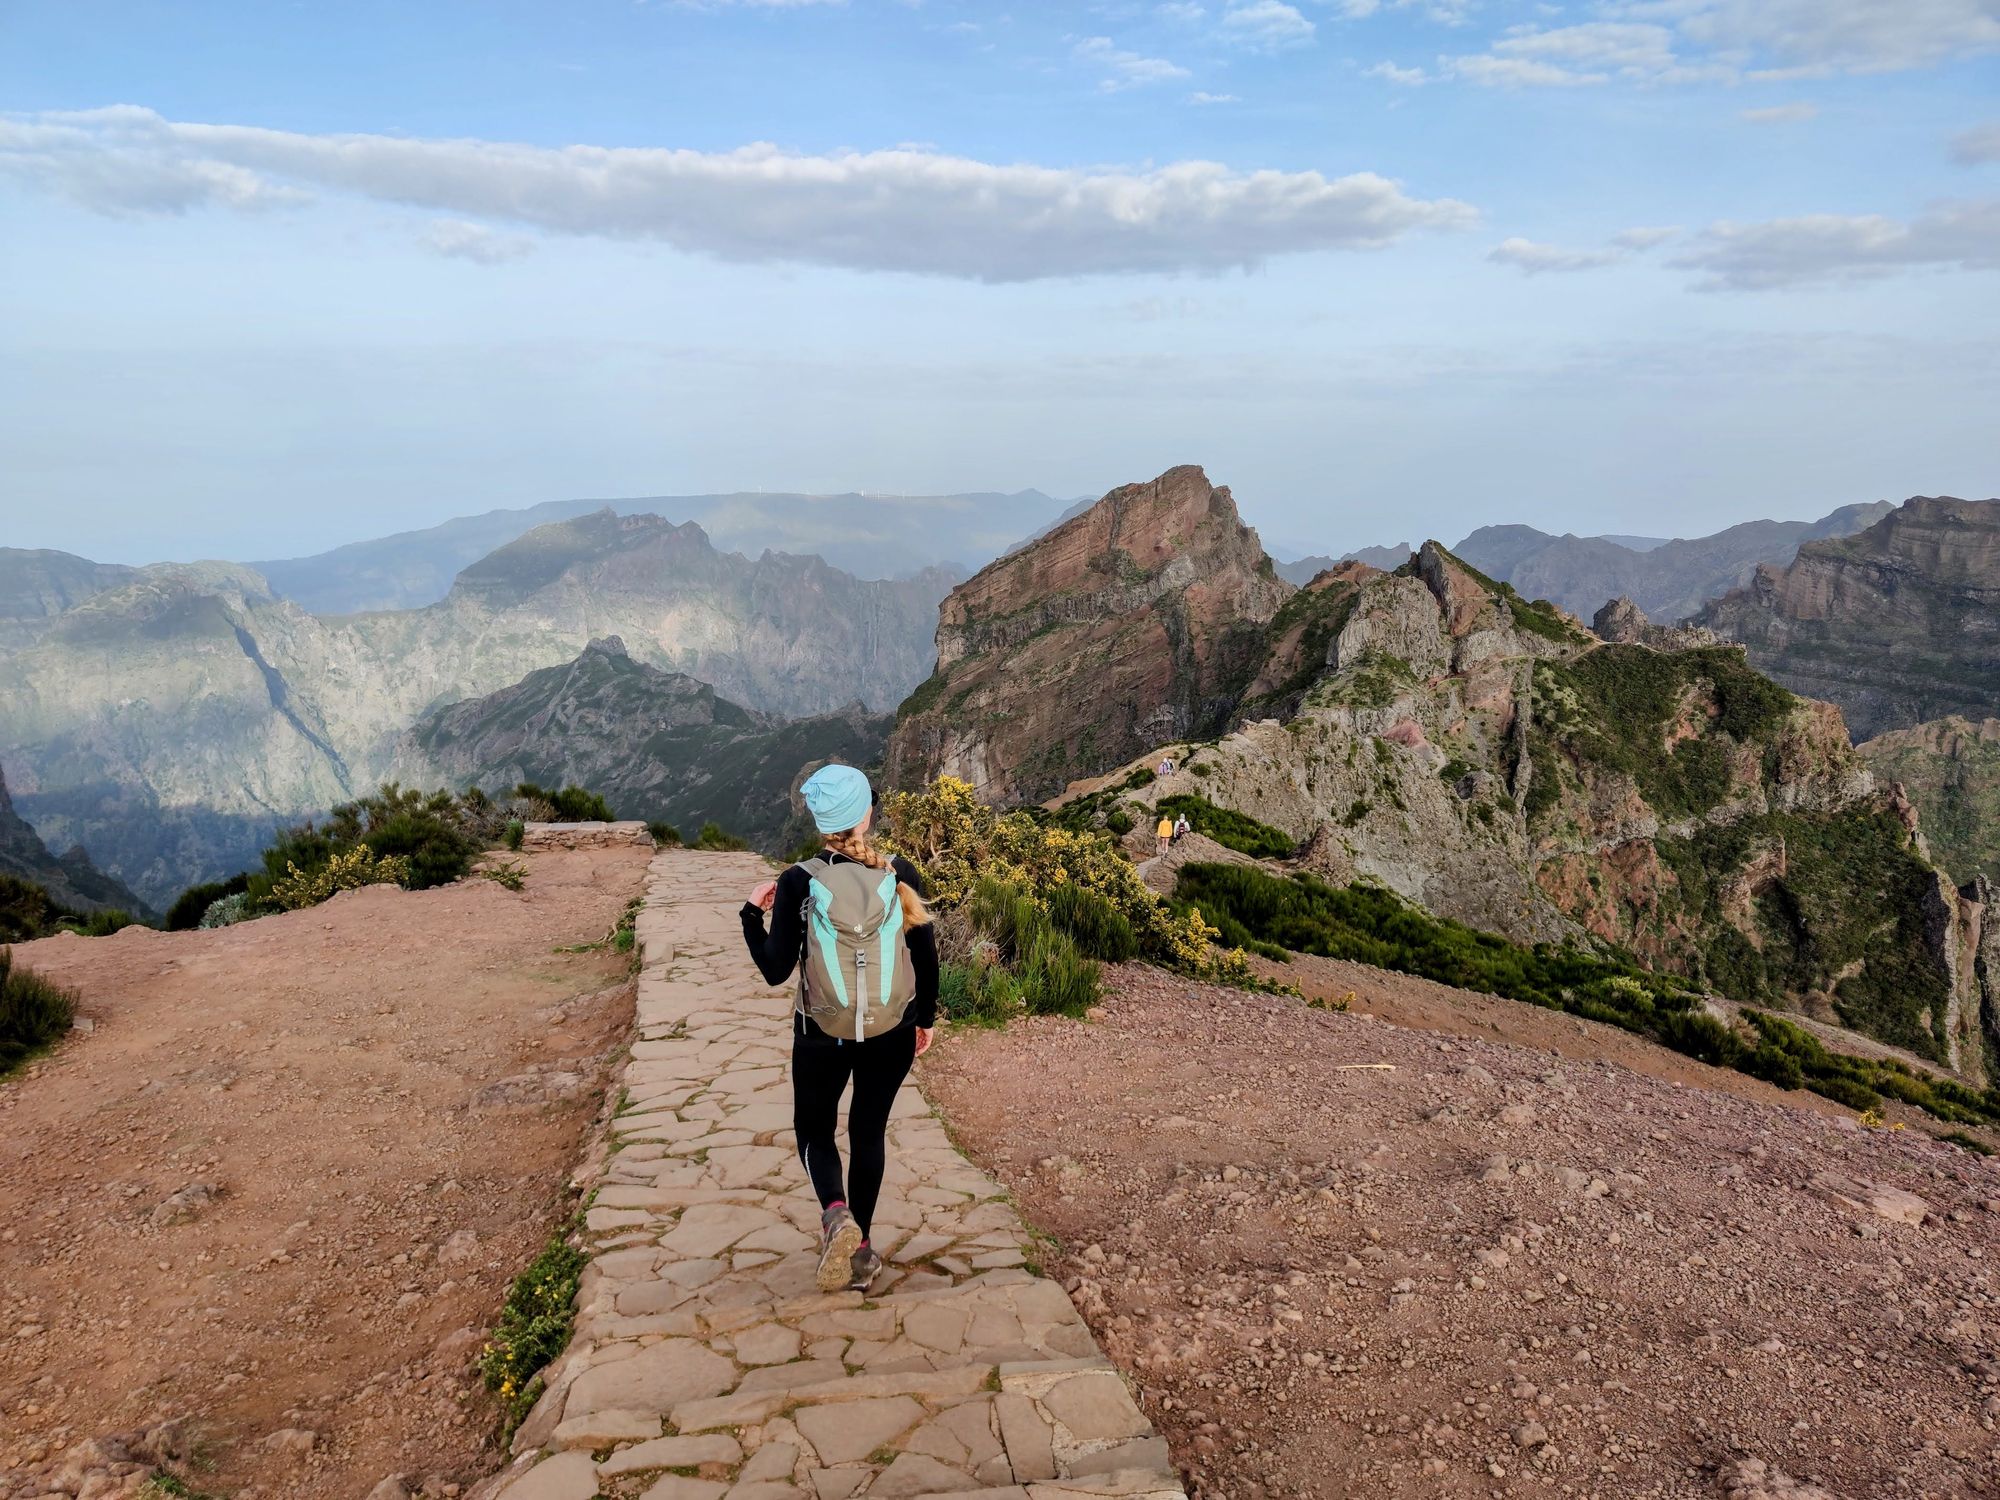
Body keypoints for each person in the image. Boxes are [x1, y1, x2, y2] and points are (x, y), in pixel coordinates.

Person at [742, 764, 938, 1293]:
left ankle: (835, 1215)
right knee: (867, 1131)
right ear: (866, 815)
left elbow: (775, 969)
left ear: (819, 820)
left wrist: (750, 915)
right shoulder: (900, 872)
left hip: (820, 1033)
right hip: (889, 1031)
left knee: (814, 1131)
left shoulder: (797, 881)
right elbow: (924, 953)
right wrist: (925, 1019)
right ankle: (863, 1249)